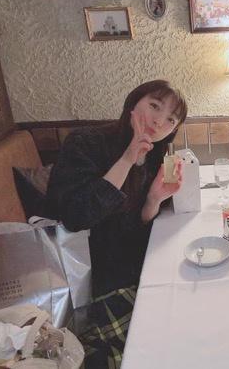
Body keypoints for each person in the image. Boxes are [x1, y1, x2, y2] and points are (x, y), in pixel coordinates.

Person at [46, 80, 187, 367]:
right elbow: (76, 216)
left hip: (129, 264)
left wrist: (153, 201)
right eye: (154, 106)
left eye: (171, 120)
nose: (159, 121)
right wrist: (127, 158)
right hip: (89, 277)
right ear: (133, 103)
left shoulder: (155, 154)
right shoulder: (86, 142)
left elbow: (129, 230)